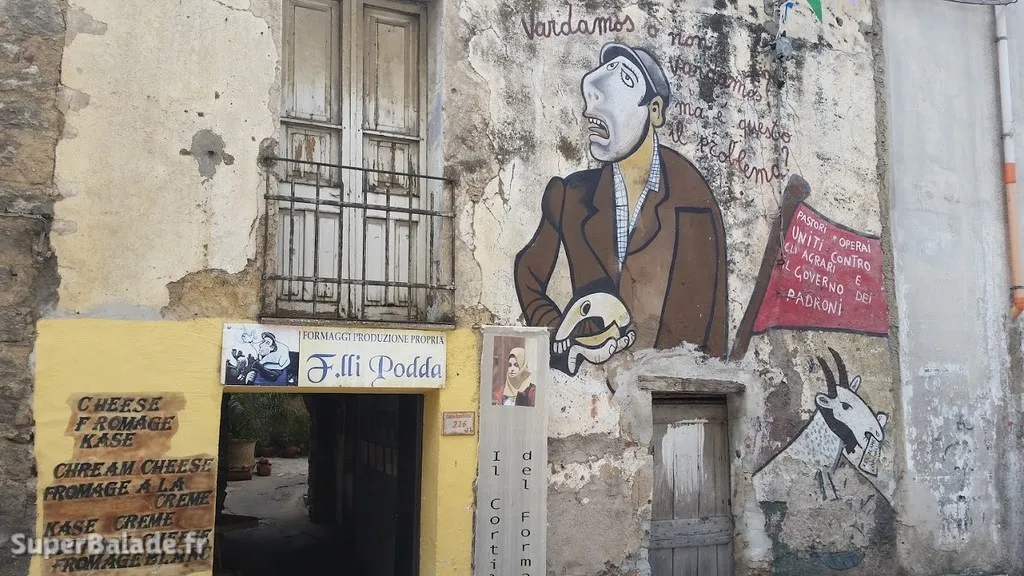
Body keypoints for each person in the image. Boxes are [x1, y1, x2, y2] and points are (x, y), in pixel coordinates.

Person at [514, 42, 729, 375]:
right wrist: (562, 335)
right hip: (588, 387)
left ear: (654, 110)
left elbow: (709, 326)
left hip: (662, 389)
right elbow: (527, 272)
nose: (589, 111)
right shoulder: (570, 195)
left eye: (625, 81)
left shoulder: (692, 200)